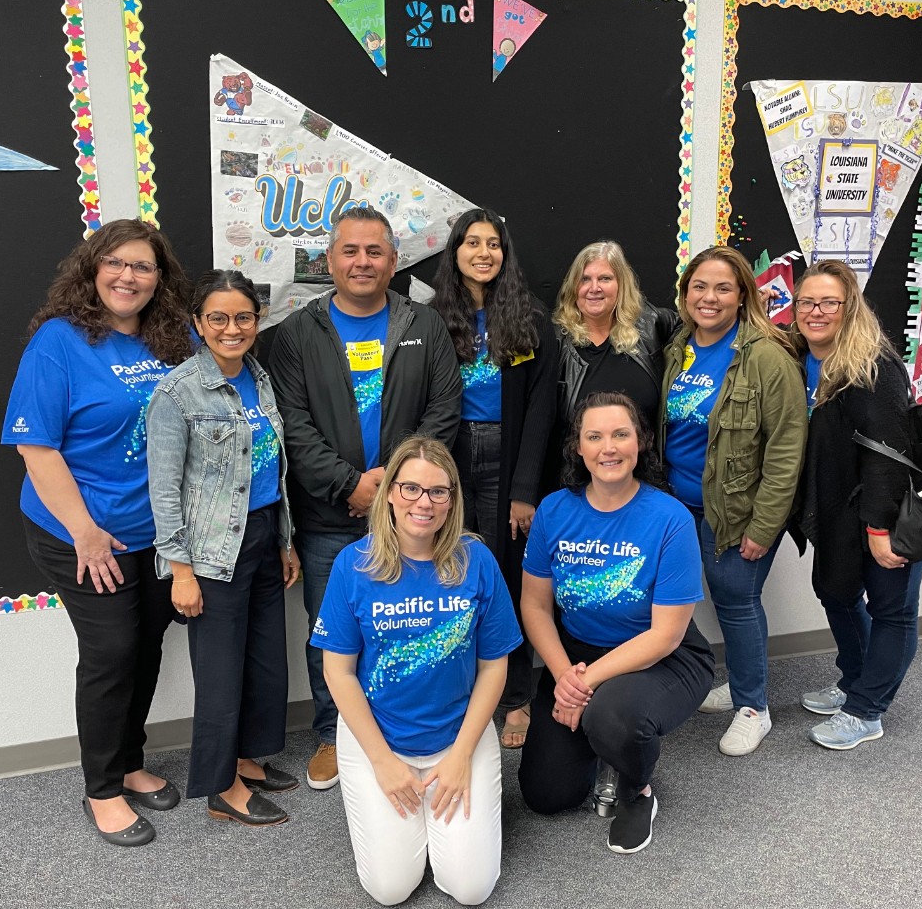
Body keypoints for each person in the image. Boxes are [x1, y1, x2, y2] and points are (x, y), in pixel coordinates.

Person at [1, 219, 193, 847]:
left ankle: (131, 762)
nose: (127, 277)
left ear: (158, 279)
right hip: (79, 532)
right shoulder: (59, 342)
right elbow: (37, 447)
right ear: (92, 269)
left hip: (155, 531)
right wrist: (84, 532)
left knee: (145, 642)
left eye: (142, 266)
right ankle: (102, 788)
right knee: (112, 652)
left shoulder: (174, 338)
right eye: (115, 263)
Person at [270, 206, 463, 790]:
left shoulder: (423, 325)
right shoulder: (297, 333)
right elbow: (292, 426)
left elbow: (443, 410)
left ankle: (413, 730)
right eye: (349, 251)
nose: (361, 262)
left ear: (393, 261)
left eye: (374, 252)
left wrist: (395, 488)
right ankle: (333, 734)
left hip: (414, 518)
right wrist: (350, 485)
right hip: (331, 516)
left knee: (413, 625)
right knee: (331, 631)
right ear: (329, 260)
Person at [312, 436, 522, 906]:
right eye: (410, 488)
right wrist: (384, 763)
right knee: (390, 889)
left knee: (471, 889)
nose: (423, 503)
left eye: (437, 492)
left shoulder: (476, 560)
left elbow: (494, 667)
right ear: (388, 492)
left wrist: (461, 755)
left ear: (452, 499)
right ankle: (409, 815)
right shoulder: (355, 564)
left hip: (458, 735)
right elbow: (339, 673)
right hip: (379, 740)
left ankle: (436, 815)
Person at [519, 392, 713, 855]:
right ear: (578, 448)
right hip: (578, 655)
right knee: (547, 796)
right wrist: (565, 674)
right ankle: (604, 743)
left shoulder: (670, 519)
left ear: (641, 442)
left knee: (613, 716)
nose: (609, 447)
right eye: (595, 436)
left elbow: (665, 634)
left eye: (621, 434)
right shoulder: (554, 511)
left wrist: (582, 686)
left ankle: (636, 789)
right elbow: (535, 607)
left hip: (663, 658)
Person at [146, 270, 302, 827]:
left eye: (243, 317)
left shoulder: (259, 378)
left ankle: (246, 759)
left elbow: (272, 469)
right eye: (218, 318)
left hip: (261, 535)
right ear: (198, 323)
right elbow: (163, 490)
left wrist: (284, 539)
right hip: (212, 551)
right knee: (219, 672)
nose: (231, 328)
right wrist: (180, 569)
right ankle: (220, 788)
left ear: (257, 322)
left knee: (264, 659)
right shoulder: (176, 393)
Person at [659, 246, 807, 756]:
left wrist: (764, 526)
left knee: (736, 601)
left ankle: (754, 706)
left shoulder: (766, 355)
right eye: (699, 286)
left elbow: (787, 449)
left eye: (723, 288)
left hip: (736, 508)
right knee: (705, 601)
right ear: (685, 295)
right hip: (678, 504)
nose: (710, 297)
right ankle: (742, 682)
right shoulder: (678, 347)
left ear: (743, 296)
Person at [789, 260, 922, 750]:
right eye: (807, 301)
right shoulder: (801, 359)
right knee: (837, 592)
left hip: (882, 510)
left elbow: (892, 452)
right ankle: (853, 679)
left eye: (829, 302)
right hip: (833, 511)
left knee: (892, 609)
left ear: (850, 308)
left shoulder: (875, 365)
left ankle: (868, 710)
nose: (816, 311)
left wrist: (879, 526)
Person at [431, 209, 555, 749]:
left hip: (509, 457)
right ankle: (462, 691)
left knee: (507, 578)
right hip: (451, 457)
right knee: (453, 572)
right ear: (454, 251)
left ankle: (517, 698)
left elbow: (543, 408)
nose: (485, 253)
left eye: (495, 244)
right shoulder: (429, 319)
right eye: (473, 243)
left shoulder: (529, 318)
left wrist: (525, 490)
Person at [545, 241, 678, 492]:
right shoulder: (554, 342)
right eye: (585, 279)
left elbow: (705, 323)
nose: (594, 288)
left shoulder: (652, 328)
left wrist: (747, 306)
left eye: (605, 278)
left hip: (647, 485)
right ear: (574, 287)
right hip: (576, 487)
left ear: (621, 285)